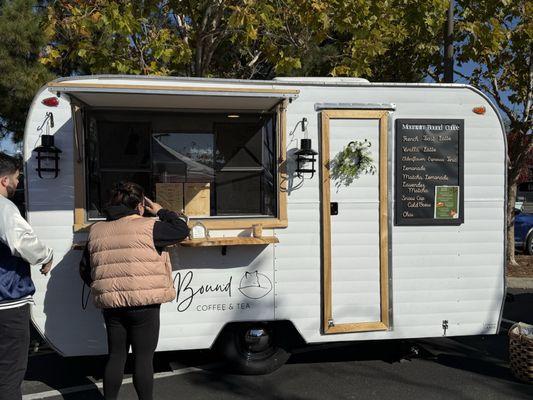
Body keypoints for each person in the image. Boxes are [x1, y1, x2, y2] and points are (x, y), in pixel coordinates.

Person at [79, 181, 189, 400]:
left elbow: (84, 269)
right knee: (143, 358)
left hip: (112, 305)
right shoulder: (150, 227)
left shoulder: (96, 230)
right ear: (140, 205)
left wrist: (105, 286)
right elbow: (181, 229)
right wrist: (160, 210)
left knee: (116, 355)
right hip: (144, 305)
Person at [0, 153, 53, 400]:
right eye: (17, 178)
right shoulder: (4, 207)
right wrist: (46, 256)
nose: (18, 183)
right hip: (7, 303)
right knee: (9, 375)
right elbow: (21, 241)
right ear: (4, 180)